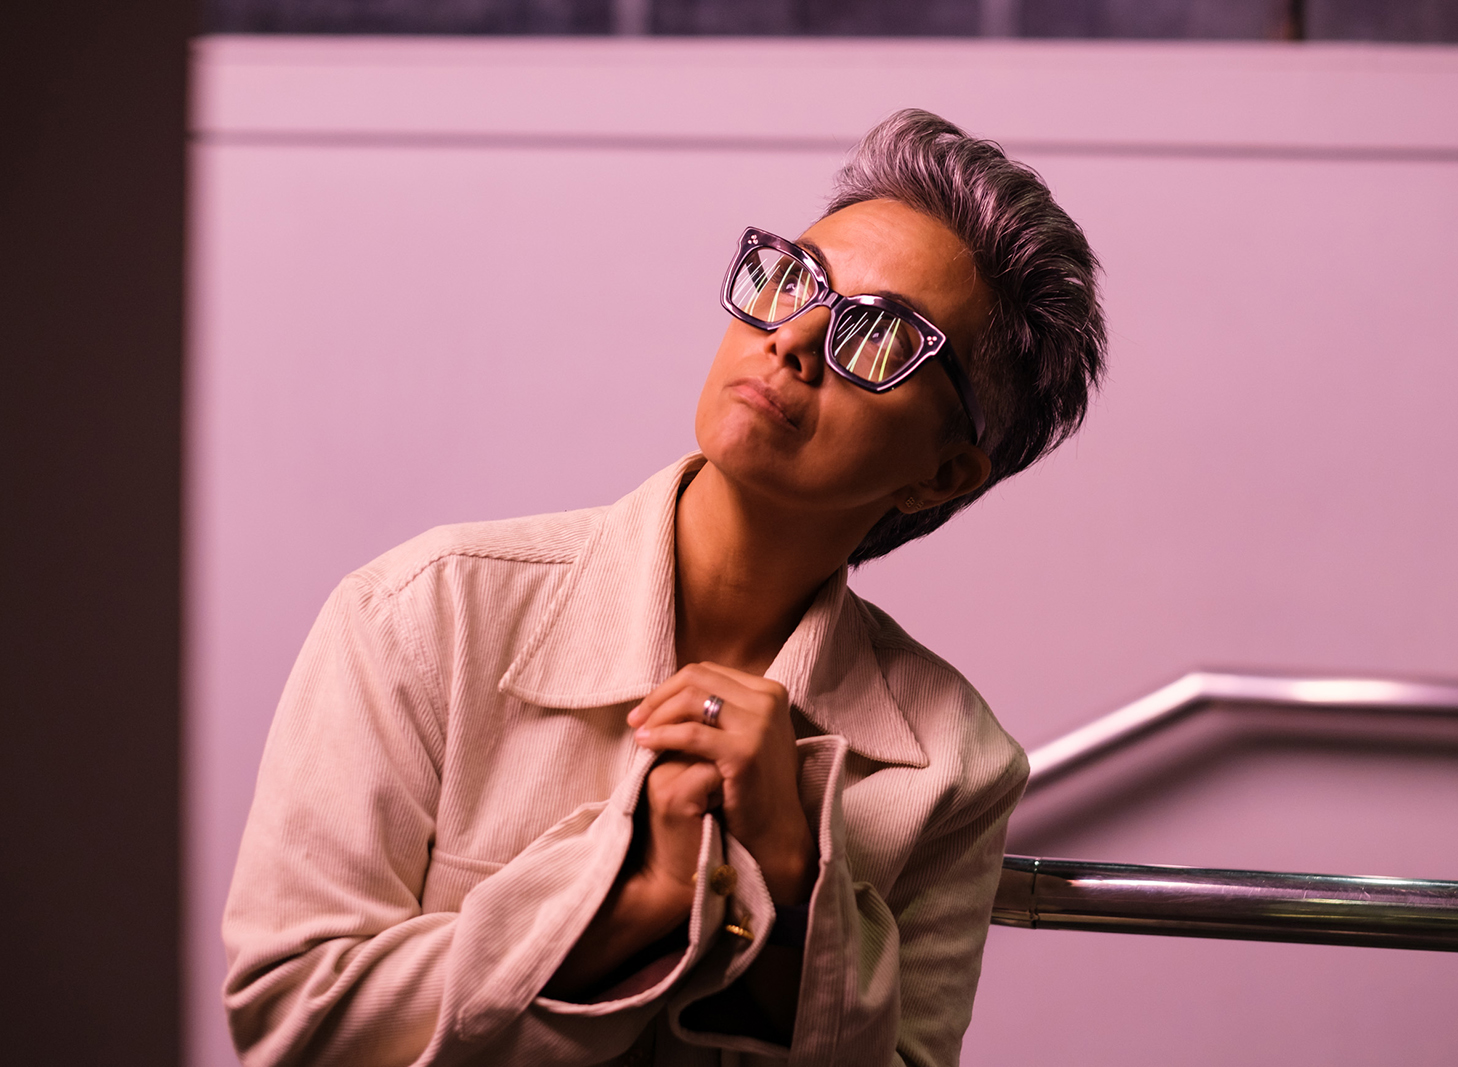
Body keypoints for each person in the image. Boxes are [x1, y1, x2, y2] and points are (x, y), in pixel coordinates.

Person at [222, 108, 1105, 1066]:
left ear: (942, 475)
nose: (793, 337)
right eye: (792, 280)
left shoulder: (956, 767)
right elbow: (290, 1018)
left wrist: (794, 872)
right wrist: (624, 902)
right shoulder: (427, 615)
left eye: (881, 337)